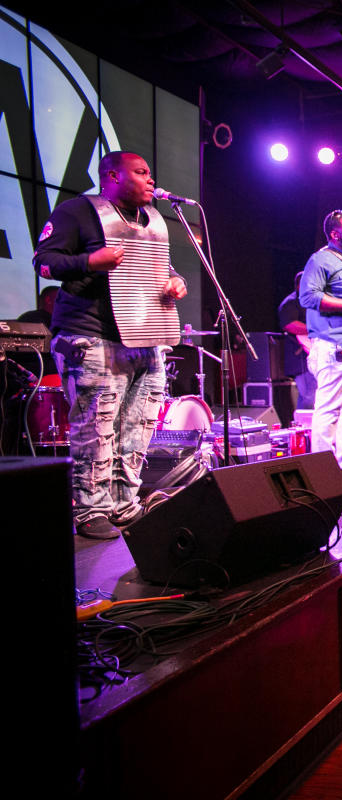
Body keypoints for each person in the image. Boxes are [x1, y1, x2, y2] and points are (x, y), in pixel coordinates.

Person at [33, 150, 187, 539]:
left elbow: (160, 268)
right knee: (97, 427)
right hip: (91, 334)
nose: (151, 179)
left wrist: (175, 282)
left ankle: (123, 503)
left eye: (150, 173)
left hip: (145, 338)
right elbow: (43, 262)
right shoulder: (77, 212)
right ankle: (90, 509)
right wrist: (90, 261)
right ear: (113, 176)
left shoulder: (153, 221)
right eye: (141, 172)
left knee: (138, 428)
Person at [298, 210, 342, 466]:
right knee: (329, 410)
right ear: (335, 234)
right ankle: (323, 471)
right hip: (334, 343)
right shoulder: (321, 259)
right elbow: (307, 297)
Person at [277, 272, 317, 410]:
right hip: (300, 357)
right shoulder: (290, 302)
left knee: (314, 394)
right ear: (300, 285)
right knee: (309, 396)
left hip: (313, 354)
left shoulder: (311, 302)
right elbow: (289, 324)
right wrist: (315, 328)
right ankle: (304, 422)